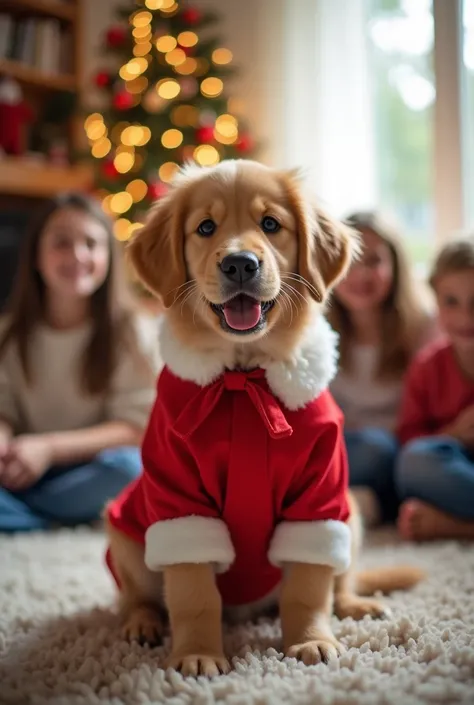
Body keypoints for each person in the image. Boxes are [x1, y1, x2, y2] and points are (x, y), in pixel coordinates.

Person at [0, 193, 161, 531]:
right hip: (21, 470)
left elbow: (136, 429)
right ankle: (44, 516)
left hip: (91, 469)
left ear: (108, 257)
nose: (77, 255)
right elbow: (4, 410)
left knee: (129, 470)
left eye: (91, 243)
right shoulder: (10, 333)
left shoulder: (132, 332)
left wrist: (48, 448)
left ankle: (28, 518)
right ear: (36, 256)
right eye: (61, 242)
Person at [328, 211, 436, 525]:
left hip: (399, 452)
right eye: (350, 261)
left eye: (374, 262)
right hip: (344, 450)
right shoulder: (317, 329)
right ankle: (367, 504)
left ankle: (364, 504)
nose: (360, 275)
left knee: (384, 451)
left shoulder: (423, 327)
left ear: (396, 268)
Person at [396, 237, 474, 541]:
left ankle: (456, 527)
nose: (466, 317)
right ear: (436, 304)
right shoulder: (427, 366)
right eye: (451, 302)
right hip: (453, 472)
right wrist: (452, 434)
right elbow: (408, 439)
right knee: (414, 461)